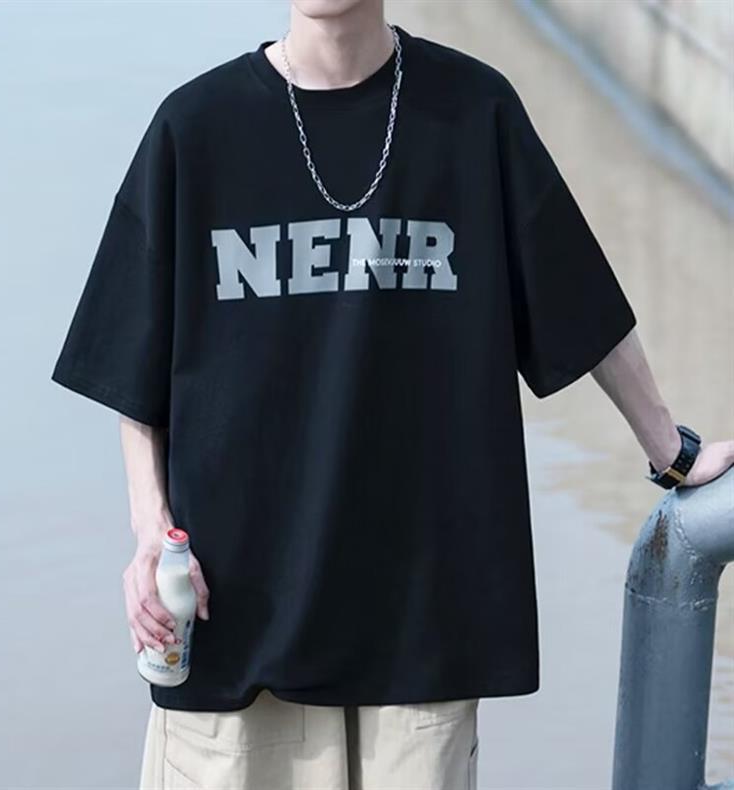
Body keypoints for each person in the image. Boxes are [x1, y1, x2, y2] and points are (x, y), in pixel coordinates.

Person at [50, 1, 734, 788]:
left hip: (419, 619)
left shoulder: (471, 112)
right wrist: (150, 534)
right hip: (236, 619)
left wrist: (670, 450)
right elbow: (135, 358)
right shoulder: (196, 128)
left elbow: (576, 297)